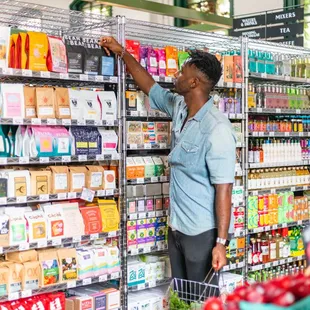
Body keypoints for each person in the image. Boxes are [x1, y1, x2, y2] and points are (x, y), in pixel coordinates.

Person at [99, 37, 236, 283]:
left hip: (202, 232)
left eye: (182, 72)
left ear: (194, 82)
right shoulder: (179, 108)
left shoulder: (217, 129)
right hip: (177, 227)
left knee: (201, 301)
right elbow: (150, 86)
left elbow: (224, 189)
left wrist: (221, 243)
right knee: (182, 298)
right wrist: (123, 53)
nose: (176, 74)